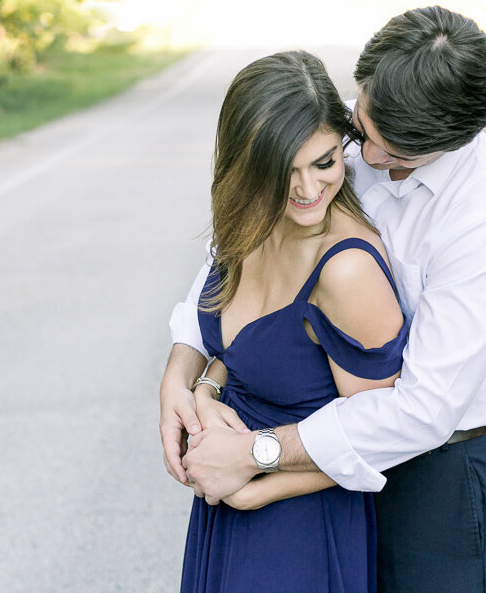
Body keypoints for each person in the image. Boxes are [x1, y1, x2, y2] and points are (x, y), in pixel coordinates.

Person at [162, 6, 486, 592]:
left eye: (395, 155)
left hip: (447, 477)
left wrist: (257, 454)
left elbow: (421, 412)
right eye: (362, 132)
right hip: (330, 468)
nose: (363, 159)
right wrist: (187, 370)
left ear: (454, 141)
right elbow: (246, 244)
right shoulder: (337, 142)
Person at [170, 49, 409, 593]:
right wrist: (203, 386)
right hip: (223, 515)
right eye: (283, 172)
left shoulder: (346, 268)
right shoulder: (249, 221)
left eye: (325, 162)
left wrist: (256, 484)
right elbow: (241, 347)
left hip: (299, 532)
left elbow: (383, 434)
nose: (306, 190)